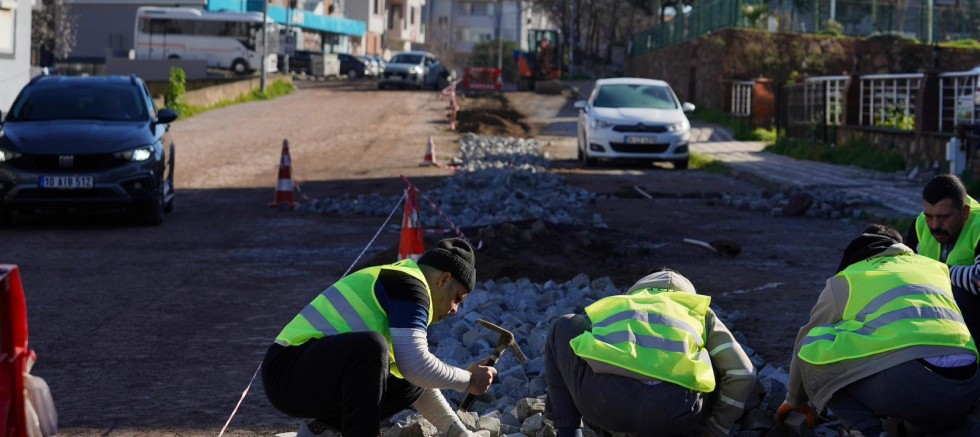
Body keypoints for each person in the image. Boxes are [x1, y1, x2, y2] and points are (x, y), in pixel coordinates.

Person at [261, 238, 497, 437]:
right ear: (444, 279)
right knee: (371, 347)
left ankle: (322, 429)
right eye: (458, 298)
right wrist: (468, 380)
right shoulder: (409, 285)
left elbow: (419, 381)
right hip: (286, 370)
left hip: (305, 374)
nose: (455, 309)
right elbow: (417, 364)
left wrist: (459, 433)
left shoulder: (405, 287)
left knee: (409, 381)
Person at [778, 224, 980, 436]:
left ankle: (865, 429)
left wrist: (795, 399)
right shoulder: (933, 267)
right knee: (931, 417)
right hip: (968, 385)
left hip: (913, 386)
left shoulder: (848, 278)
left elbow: (804, 341)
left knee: (815, 342)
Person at [544, 269, 757, 437]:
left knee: (564, 325)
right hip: (674, 415)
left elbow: (571, 350)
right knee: (714, 358)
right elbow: (743, 373)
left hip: (605, 406)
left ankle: (568, 431)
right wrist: (716, 429)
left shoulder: (618, 305)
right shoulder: (699, 313)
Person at [904, 174, 980, 339]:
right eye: (929, 216)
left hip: (970, 318)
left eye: (944, 217)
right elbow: (902, 270)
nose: (935, 225)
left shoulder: (978, 226)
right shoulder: (920, 225)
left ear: (965, 212)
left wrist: (933, 271)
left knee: (958, 294)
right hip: (935, 314)